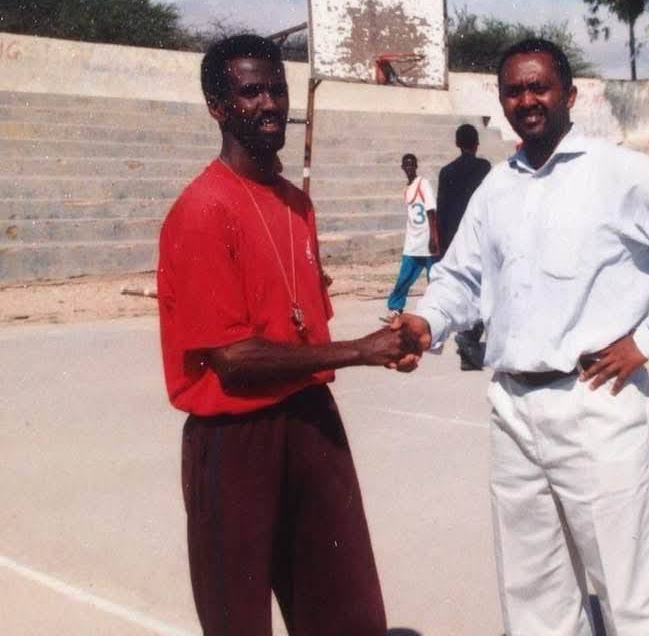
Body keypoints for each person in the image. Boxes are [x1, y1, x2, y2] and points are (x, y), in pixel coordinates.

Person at [394, 38, 649, 635]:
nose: (526, 100)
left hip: (594, 401)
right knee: (533, 592)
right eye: (513, 91)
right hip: (513, 405)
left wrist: (648, 338)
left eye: (539, 87)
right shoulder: (496, 188)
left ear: (570, 94)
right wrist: (428, 321)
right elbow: (461, 276)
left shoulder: (617, 172)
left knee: (629, 591)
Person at [157, 34, 418, 636]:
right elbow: (233, 359)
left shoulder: (298, 205)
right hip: (236, 437)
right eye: (251, 92)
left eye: (277, 88)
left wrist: (385, 346)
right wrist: (362, 350)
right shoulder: (202, 209)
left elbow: (299, 326)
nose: (271, 103)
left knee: (346, 610)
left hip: (309, 418)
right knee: (239, 620)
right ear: (217, 107)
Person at [437, 123, 492, 370]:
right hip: (479, 234)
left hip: (453, 237)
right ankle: (469, 337)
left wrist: (442, 244)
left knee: (465, 288)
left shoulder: (446, 171)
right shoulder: (484, 167)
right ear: (476, 143)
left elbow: (442, 208)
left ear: (457, 144)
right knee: (484, 289)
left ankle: (467, 354)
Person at [383, 153, 439, 321]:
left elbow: (431, 210)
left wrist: (433, 236)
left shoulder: (423, 183)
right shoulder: (406, 189)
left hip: (427, 239)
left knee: (434, 278)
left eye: (412, 164)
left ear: (416, 166)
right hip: (413, 241)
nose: (409, 167)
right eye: (406, 164)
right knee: (404, 277)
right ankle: (395, 308)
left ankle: (437, 309)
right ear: (402, 167)